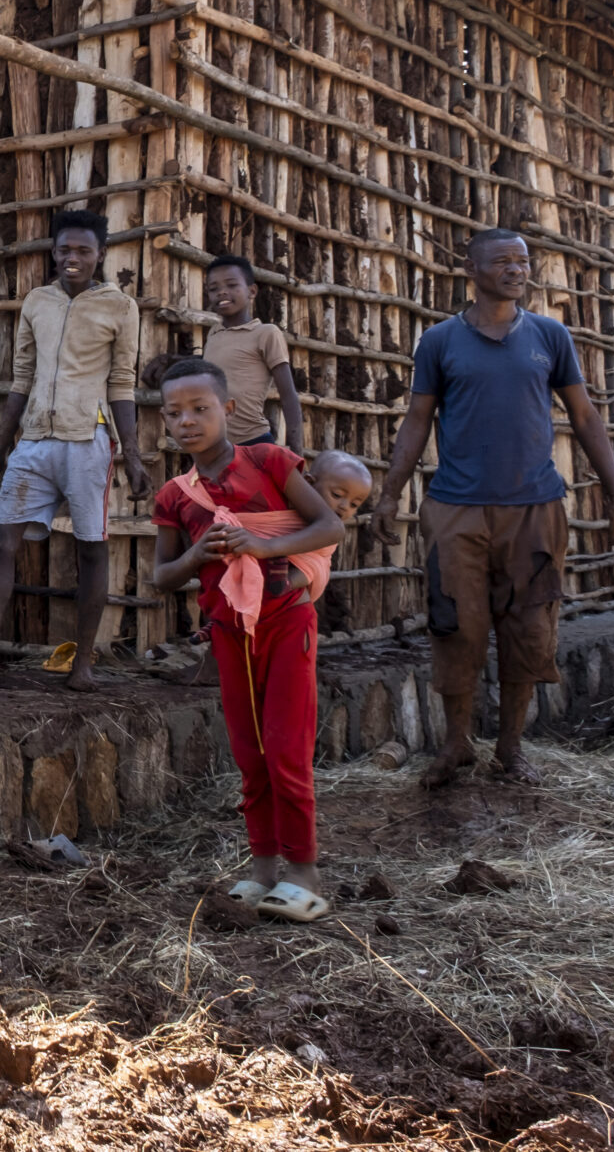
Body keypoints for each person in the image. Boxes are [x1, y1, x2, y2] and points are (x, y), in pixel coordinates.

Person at [375, 227, 614, 788]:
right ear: (471, 268)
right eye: (502, 261)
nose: (516, 269)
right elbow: (418, 420)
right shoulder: (441, 341)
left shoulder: (549, 335)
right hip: (455, 509)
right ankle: (456, 745)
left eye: (522, 260)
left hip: (535, 509)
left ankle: (512, 749)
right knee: (455, 628)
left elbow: (585, 417)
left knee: (530, 628)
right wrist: (391, 493)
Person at [148, 359, 352, 923]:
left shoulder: (268, 461)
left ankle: (304, 874)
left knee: (287, 748)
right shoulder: (174, 496)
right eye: (174, 413)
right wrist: (197, 555)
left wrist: (258, 548)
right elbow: (162, 576)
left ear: (229, 411)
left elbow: (329, 527)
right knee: (250, 753)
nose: (187, 421)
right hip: (228, 632)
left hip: (286, 620)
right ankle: (263, 868)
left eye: (200, 409)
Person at [0, 209, 153, 690]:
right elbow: (21, 380)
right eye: (65, 249)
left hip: (88, 440)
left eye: (84, 250)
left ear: (100, 254)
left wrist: (131, 453)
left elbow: (123, 383)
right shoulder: (37, 303)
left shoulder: (119, 306)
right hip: (34, 441)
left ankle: (83, 663)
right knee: (2, 541)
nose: (73, 258)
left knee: (91, 550)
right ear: (54, 251)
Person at [201, 255, 304, 452]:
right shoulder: (214, 334)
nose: (222, 292)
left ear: (252, 291)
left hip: (253, 442)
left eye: (231, 285)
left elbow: (288, 395)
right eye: (213, 289)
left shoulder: (266, 333)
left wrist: (296, 452)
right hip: (216, 445)